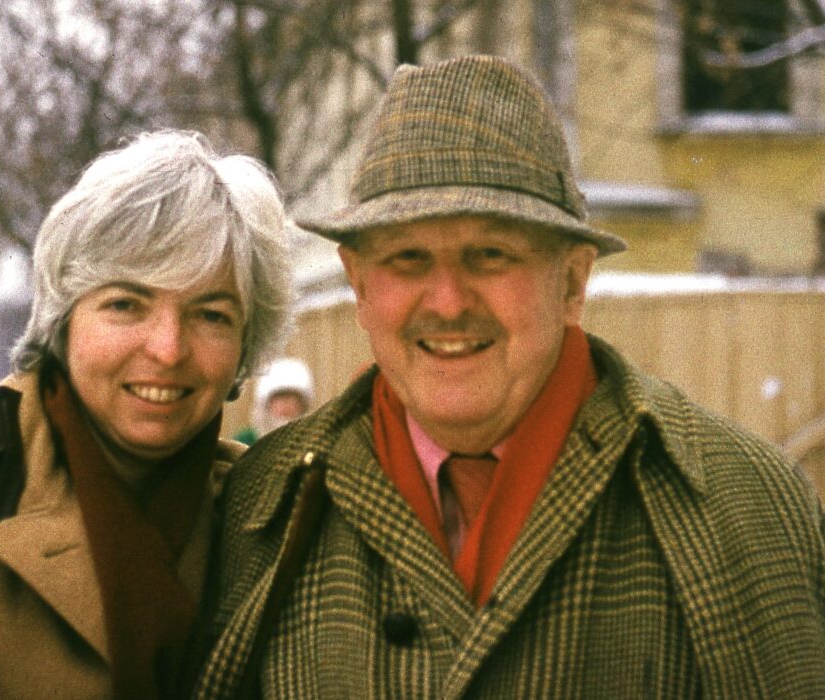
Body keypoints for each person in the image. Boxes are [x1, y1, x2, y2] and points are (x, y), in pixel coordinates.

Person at [195, 55, 825, 697]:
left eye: (491, 254)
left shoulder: (739, 501)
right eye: (408, 258)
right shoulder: (264, 507)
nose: (446, 301)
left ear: (573, 281)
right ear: (359, 285)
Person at [0, 130, 293, 698]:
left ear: (245, 343)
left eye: (210, 315)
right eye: (125, 305)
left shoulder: (277, 506)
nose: (168, 349)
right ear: (63, 319)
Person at [233, 357, 314, 445]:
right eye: (281, 396)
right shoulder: (245, 441)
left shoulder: (312, 439)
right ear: (266, 403)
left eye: (292, 398)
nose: (286, 404)